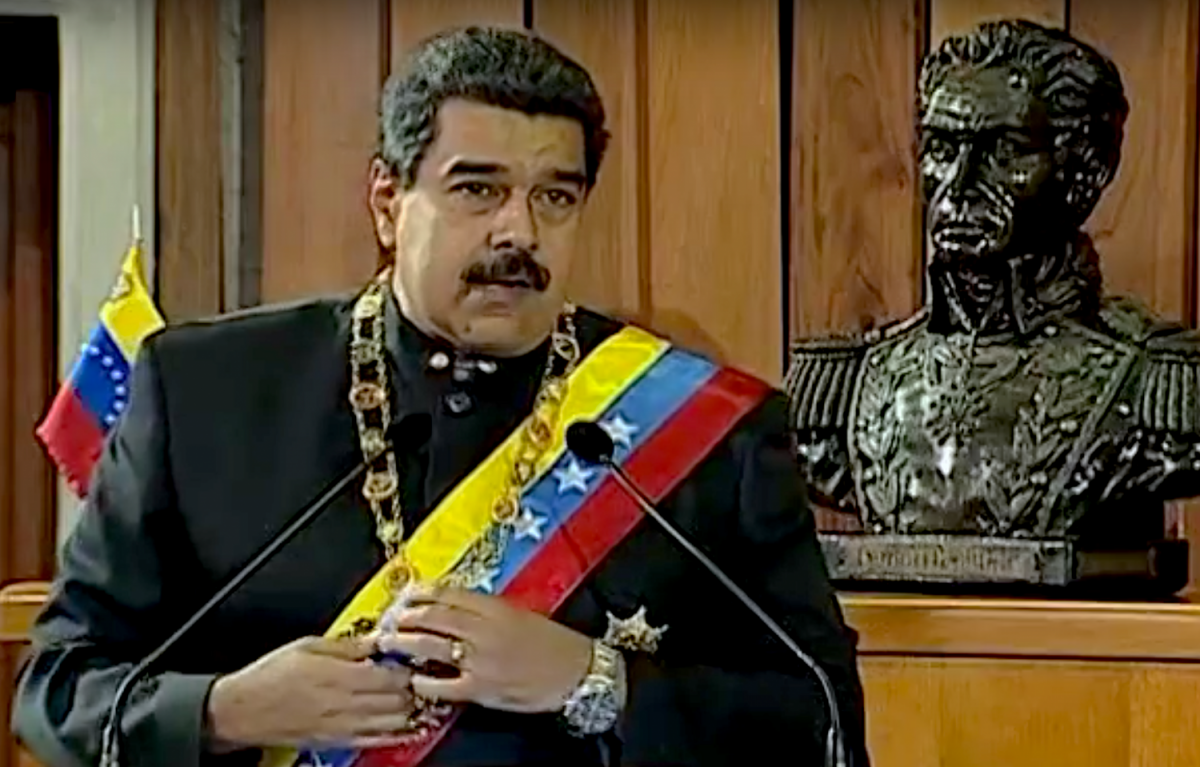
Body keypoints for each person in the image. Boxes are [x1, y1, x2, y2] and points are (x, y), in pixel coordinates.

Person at [13, 26, 868, 767]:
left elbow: (827, 722)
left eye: (555, 197)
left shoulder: (707, 432)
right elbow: (56, 690)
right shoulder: (206, 392)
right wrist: (225, 709)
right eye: (477, 189)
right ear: (388, 202)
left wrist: (593, 681)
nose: (520, 231)